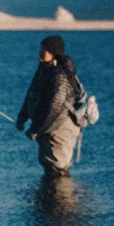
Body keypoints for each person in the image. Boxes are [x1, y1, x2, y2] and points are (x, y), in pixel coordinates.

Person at [16, 35, 83, 178]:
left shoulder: (60, 75)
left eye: (44, 50)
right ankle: (47, 199)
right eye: (41, 49)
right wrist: (22, 117)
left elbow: (55, 107)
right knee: (48, 166)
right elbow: (31, 93)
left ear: (53, 53)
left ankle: (61, 199)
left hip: (60, 129)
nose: (40, 52)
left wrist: (35, 129)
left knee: (57, 169)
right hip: (46, 129)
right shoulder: (43, 69)